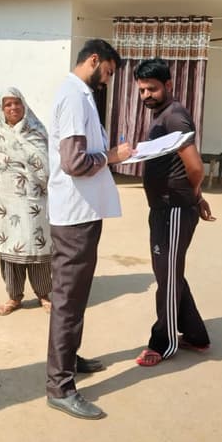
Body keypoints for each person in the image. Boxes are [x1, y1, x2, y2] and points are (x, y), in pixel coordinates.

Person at [45, 39, 133, 420]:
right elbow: (75, 162)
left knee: (76, 297)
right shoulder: (76, 97)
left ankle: (70, 360)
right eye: (109, 72)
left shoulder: (79, 95)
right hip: (74, 216)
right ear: (94, 61)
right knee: (68, 299)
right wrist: (112, 156)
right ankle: (60, 387)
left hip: (82, 212)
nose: (108, 80)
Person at [131, 58, 215, 368]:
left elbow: (194, 166)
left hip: (174, 209)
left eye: (151, 89)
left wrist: (192, 197)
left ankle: (163, 342)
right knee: (170, 272)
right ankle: (195, 335)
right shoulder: (161, 116)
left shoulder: (175, 117)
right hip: (165, 208)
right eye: (141, 91)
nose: (146, 96)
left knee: (166, 276)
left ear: (168, 85)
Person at [0, 87, 53, 316]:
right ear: (1, 109)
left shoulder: (36, 130)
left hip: (33, 198)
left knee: (37, 245)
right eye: (8, 104)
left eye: (17, 103)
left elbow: (48, 163)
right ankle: (14, 296)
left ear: (24, 105)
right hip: (4, 202)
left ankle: (44, 293)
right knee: (9, 249)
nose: (13, 108)